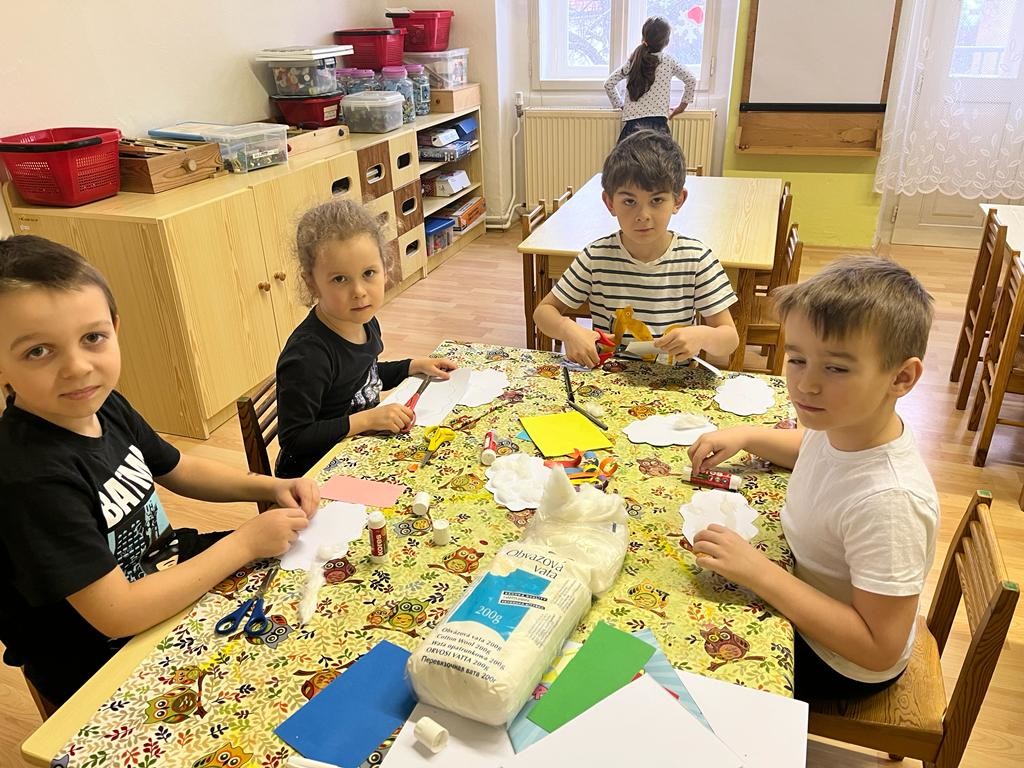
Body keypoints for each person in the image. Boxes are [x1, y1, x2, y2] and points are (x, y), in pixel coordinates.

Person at [0, 235, 319, 708]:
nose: (78, 367)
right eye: (38, 351)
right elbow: (118, 613)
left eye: (92, 338)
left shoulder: (105, 405)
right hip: (102, 660)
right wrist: (245, 542)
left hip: (169, 575)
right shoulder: (28, 478)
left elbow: (179, 468)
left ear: (115, 328)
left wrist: (272, 485)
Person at [687, 257, 940, 700]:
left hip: (838, 661)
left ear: (901, 378)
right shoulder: (845, 423)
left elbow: (879, 649)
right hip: (804, 590)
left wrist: (760, 573)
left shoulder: (890, 503)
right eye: (797, 359)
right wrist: (747, 435)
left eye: (836, 368)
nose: (806, 385)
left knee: (686, 654)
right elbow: (811, 447)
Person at [275, 198, 457, 478]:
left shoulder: (363, 321)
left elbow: (362, 377)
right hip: (314, 475)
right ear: (312, 283)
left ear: (385, 267)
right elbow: (295, 439)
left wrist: (412, 366)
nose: (359, 291)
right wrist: (366, 420)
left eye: (368, 273)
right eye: (340, 279)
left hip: (356, 450)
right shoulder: (308, 356)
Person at [533, 129, 738, 368]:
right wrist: (568, 330)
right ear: (610, 203)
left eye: (657, 200)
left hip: (673, 381)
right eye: (629, 201)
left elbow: (729, 339)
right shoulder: (595, 258)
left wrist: (703, 336)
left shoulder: (697, 259)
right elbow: (543, 312)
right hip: (610, 377)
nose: (643, 215)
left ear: (678, 200)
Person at [605, 16, 697, 144]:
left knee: (629, 158)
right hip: (658, 128)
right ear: (666, 41)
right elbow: (691, 79)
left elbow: (609, 84)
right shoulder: (668, 61)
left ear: (644, 37)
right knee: (659, 158)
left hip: (632, 128)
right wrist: (682, 107)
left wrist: (620, 105)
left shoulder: (633, 61)